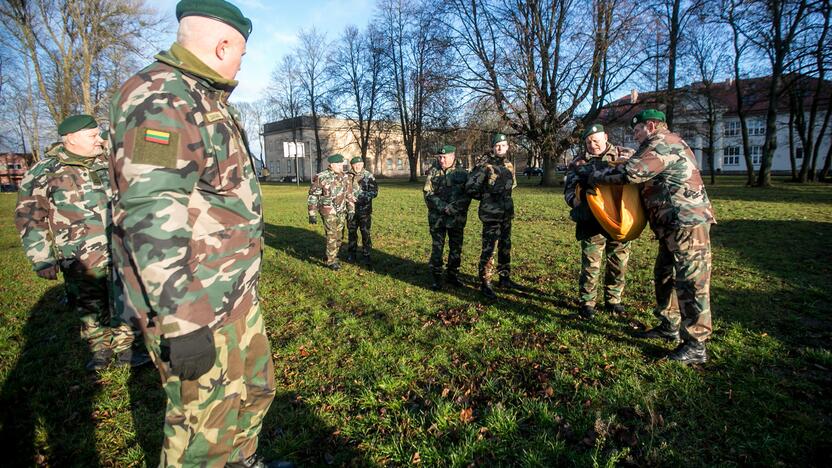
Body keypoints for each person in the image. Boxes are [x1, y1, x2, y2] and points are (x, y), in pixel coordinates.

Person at [108, 1, 280, 466]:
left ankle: (241, 460)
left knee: (255, 390)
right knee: (204, 424)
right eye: (241, 53)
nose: (242, 63)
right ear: (223, 45)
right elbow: (150, 211)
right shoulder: (164, 98)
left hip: (233, 293)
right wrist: (184, 323)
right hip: (196, 301)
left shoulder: (203, 98)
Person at [15, 114, 147, 371]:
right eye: (93, 136)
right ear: (71, 139)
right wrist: (42, 258)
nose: (99, 140)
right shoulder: (46, 171)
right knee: (89, 305)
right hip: (79, 255)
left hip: (120, 249)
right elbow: (30, 216)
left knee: (125, 298)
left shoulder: (111, 162)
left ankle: (126, 348)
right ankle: (100, 349)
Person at [584, 109, 716, 364]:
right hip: (671, 225)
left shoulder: (662, 143)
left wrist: (595, 175)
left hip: (687, 223)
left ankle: (696, 344)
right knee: (664, 274)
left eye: (637, 129)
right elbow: (639, 164)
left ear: (652, 126)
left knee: (691, 281)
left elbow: (631, 173)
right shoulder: (659, 144)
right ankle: (669, 325)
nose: (634, 135)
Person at [564, 123, 635, 319]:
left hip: (620, 218)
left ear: (605, 137)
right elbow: (568, 190)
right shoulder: (578, 162)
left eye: (595, 140)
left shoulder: (625, 154)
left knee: (618, 262)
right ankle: (587, 303)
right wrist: (575, 201)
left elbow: (639, 175)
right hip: (592, 220)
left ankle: (614, 301)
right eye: (588, 142)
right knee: (590, 264)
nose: (592, 144)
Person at [466, 133, 518, 299]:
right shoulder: (485, 166)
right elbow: (470, 187)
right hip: (491, 214)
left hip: (506, 213)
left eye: (503, 145)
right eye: (497, 146)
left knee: (505, 246)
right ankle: (485, 282)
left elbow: (513, 185)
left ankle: (504, 277)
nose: (500, 148)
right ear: (493, 148)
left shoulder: (509, 165)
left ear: (507, 147)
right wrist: (486, 197)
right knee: (489, 248)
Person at [423, 145, 471, 290]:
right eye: (440, 157)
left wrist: (454, 208)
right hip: (437, 218)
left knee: (455, 248)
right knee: (437, 248)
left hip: (456, 219)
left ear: (453, 156)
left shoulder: (463, 173)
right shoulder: (433, 172)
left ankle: (452, 276)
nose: (442, 160)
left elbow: (468, 195)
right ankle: (436, 278)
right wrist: (443, 206)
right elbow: (428, 194)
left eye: (445, 157)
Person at [308, 154, 356, 270]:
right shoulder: (321, 177)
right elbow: (313, 195)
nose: (341, 166)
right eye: (339, 164)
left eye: (342, 163)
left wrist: (351, 210)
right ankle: (331, 261)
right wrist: (312, 213)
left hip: (341, 210)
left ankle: (334, 254)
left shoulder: (345, 177)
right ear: (332, 164)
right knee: (331, 234)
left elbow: (349, 194)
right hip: (328, 210)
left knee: (339, 235)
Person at [346, 156, 378, 264]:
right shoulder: (347, 176)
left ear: (363, 164)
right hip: (350, 210)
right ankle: (352, 254)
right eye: (355, 164)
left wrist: (361, 197)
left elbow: (374, 192)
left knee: (365, 233)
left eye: (360, 164)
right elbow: (342, 191)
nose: (358, 166)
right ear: (352, 165)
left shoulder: (368, 176)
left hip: (364, 210)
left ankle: (366, 254)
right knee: (351, 233)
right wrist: (349, 197)